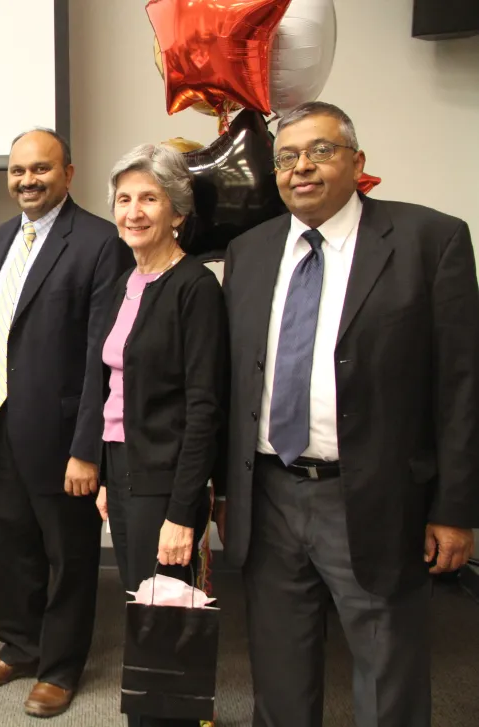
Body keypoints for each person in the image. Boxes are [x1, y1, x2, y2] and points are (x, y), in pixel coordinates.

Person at [220, 101, 479, 727]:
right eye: (286, 157)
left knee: (387, 668)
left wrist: (454, 510)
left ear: (357, 163)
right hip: (270, 491)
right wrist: (223, 490)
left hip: (373, 495)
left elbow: (462, 385)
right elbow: (233, 380)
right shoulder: (249, 250)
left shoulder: (429, 239)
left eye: (320, 151)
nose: (300, 167)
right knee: (278, 668)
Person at [0, 128, 134, 718]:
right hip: (0, 425)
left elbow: (100, 355)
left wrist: (87, 448)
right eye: (17, 171)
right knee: (11, 548)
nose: (27, 181)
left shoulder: (99, 242)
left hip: (63, 439)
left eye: (40, 169)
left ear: (68, 171)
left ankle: (61, 667)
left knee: (69, 556)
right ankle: (20, 646)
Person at [95, 144, 227, 727]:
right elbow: (114, 391)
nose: (134, 211)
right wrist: (104, 473)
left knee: (165, 614)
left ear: (177, 211)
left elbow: (204, 407)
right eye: (124, 199)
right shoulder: (126, 284)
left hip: (165, 479)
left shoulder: (195, 287)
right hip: (122, 470)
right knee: (140, 606)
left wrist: (182, 511)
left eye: (149, 198)